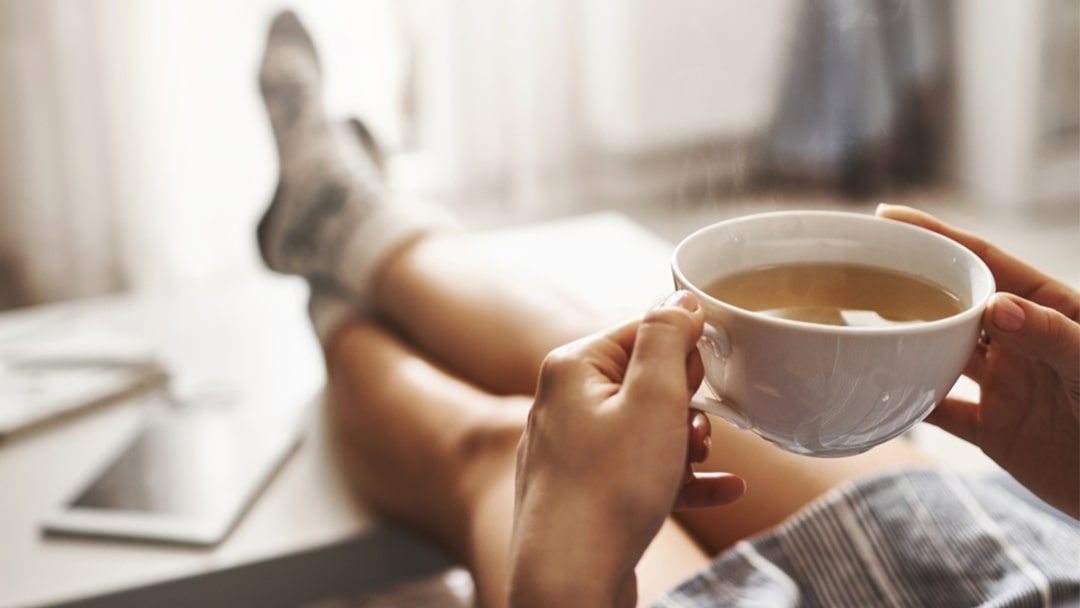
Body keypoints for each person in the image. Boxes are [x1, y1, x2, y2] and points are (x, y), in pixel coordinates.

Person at [255, 12, 1079, 607]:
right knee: (593, 379)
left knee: (507, 452)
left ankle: (336, 286)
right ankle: (348, 222)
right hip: (1029, 569)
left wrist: (565, 576)